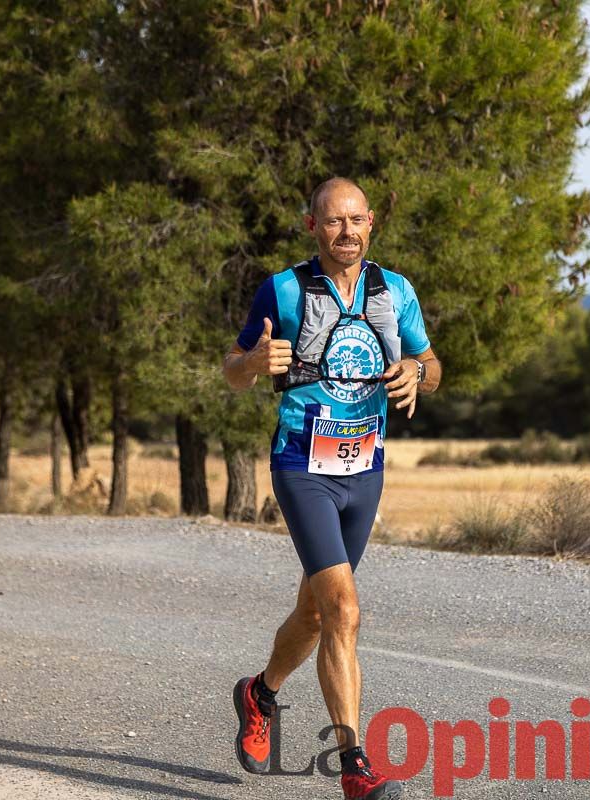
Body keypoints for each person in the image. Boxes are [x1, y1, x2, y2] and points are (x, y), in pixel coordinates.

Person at [222, 177, 441, 800]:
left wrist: (414, 372)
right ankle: (355, 770)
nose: (346, 232)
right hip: (302, 466)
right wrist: (253, 365)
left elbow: (433, 367)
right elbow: (232, 370)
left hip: (364, 468)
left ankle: (259, 693)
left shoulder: (396, 291)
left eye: (356, 221)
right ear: (311, 225)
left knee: (318, 612)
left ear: (371, 223)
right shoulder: (283, 289)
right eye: (333, 221)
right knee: (344, 611)